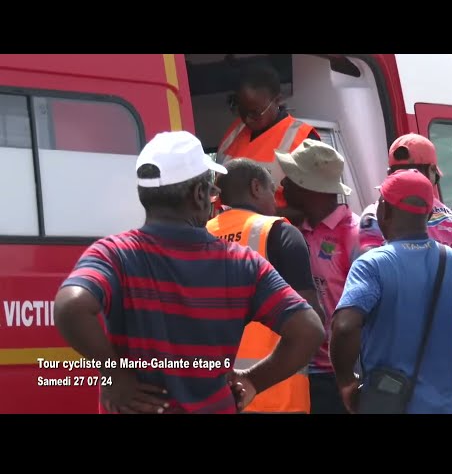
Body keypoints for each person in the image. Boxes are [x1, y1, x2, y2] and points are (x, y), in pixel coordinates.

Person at [53, 131, 325, 414]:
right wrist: (252, 381)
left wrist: (113, 373)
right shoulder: (242, 263)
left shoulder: (114, 253)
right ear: (198, 195)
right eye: (211, 191)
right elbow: (309, 330)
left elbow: (72, 305)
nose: (212, 200)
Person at [330, 169, 452, 413]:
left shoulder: (372, 265)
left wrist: (346, 384)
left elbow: (344, 327)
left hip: (387, 405)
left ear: (384, 209)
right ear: (429, 213)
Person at [206, 157, 325, 413]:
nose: (276, 201)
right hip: (276, 394)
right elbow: (312, 318)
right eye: (273, 190)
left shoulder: (199, 234)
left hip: (212, 395)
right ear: (256, 187)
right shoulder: (279, 232)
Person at [357, 133, 452, 362]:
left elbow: (366, 291)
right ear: (433, 175)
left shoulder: (376, 216)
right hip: (441, 361)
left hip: (389, 360)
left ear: (389, 175)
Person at [276, 139, 361, 414]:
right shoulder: (292, 230)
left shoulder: (355, 234)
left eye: (291, 177)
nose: (283, 185)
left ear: (309, 187)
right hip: (299, 368)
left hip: (341, 375)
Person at [215, 63, 320, 218]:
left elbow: (312, 211)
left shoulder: (302, 138)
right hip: (226, 236)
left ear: (277, 100)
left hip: (276, 237)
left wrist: (247, 216)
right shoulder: (233, 133)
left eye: (255, 113)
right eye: (242, 111)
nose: (248, 119)